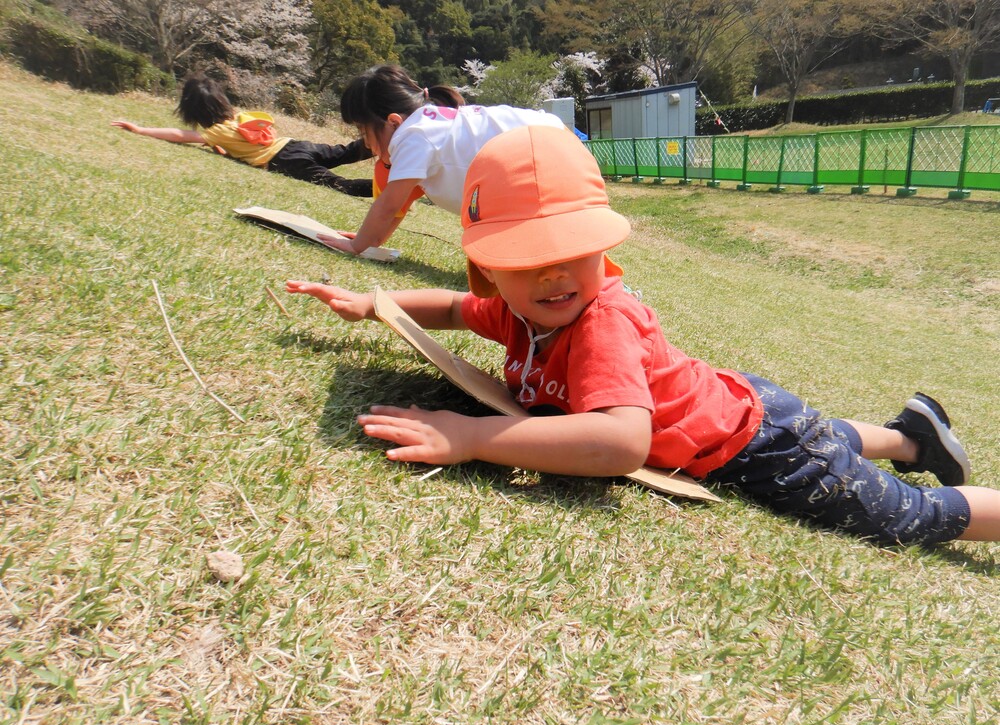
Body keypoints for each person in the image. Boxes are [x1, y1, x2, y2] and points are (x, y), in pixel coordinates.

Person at [286, 125, 1000, 546]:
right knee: (818, 433)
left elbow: (621, 443)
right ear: (487, 270)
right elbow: (446, 307)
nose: (556, 275)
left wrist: (472, 439)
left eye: (576, 250)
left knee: (908, 517)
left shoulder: (600, 325)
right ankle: (910, 437)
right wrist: (380, 301)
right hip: (739, 408)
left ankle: (929, 465)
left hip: (756, 448)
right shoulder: (514, 312)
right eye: (527, 262)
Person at [318, 64, 565, 256]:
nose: (366, 144)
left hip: (543, 152)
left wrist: (357, 245)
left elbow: (389, 205)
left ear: (393, 122)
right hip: (554, 141)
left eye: (364, 132)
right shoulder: (429, 122)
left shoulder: (414, 135)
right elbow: (395, 209)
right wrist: (370, 239)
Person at [111, 73, 373, 197]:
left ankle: (388, 190)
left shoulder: (214, 132)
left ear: (193, 110)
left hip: (286, 161)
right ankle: (384, 141)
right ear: (221, 100)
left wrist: (140, 129)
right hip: (295, 145)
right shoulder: (239, 115)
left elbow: (179, 135)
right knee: (346, 151)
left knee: (340, 185)